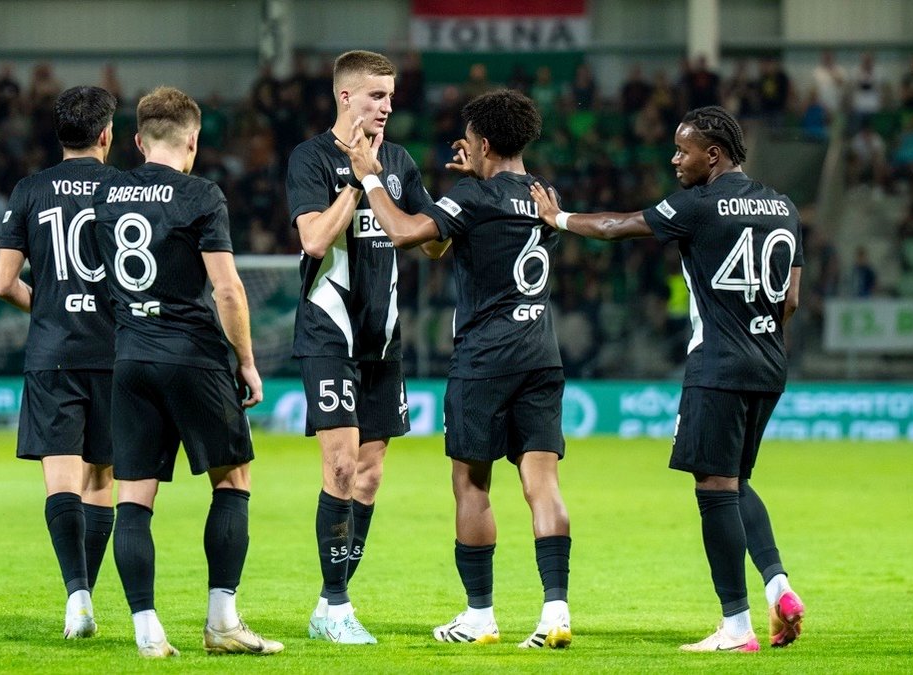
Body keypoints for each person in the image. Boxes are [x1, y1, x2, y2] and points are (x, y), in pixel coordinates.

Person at [527, 105, 805, 652]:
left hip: (718, 363)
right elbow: (791, 299)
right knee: (735, 480)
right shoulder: (784, 205)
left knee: (714, 489)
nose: (675, 160)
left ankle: (736, 627)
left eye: (683, 151)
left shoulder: (699, 204)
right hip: (769, 361)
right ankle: (779, 587)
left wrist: (557, 219)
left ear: (713, 155)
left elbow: (617, 227)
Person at [336, 88, 573, 649]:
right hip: (541, 355)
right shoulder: (545, 195)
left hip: (484, 361)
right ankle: (555, 612)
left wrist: (370, 177)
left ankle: (479, 616)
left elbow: (403, 234)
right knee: (542, 485)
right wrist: (473, 182)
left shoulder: (472, 196)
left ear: (484, 143)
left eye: (468, 141)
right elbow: (463, 233)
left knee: (471, 483)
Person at [90, 86, 282, 658]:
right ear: (193, 140)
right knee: (232, 480)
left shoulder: (107, 194)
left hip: (131, 357)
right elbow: (227, 289)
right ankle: (221, 623)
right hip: (193, 355)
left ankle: (147, 631)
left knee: (133, 497)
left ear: (137, 141)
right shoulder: (200, 194)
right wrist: (246, 361)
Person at [285, 49, 434, 644]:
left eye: (391, 96)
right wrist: (356, 177)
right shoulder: (310, 158)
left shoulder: (400, 162)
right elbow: (314, 240)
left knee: (368, 478)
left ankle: (331, 604)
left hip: (383, 338)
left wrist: (465, 203)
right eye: (376, 95)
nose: (387, 106)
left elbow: (431, 240)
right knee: (341, 465)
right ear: (346, 97)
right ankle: (337, 604)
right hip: (328, 331)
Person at [0, 85, 120, 640]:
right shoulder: (127, 189)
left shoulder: (30, 190)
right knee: (101, 481)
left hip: (53, 354)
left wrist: (46, 305)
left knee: (61, 480)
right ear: (107, 134)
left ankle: (76, 596)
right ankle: (87, 595)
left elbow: (3, 283)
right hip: (114, 353)